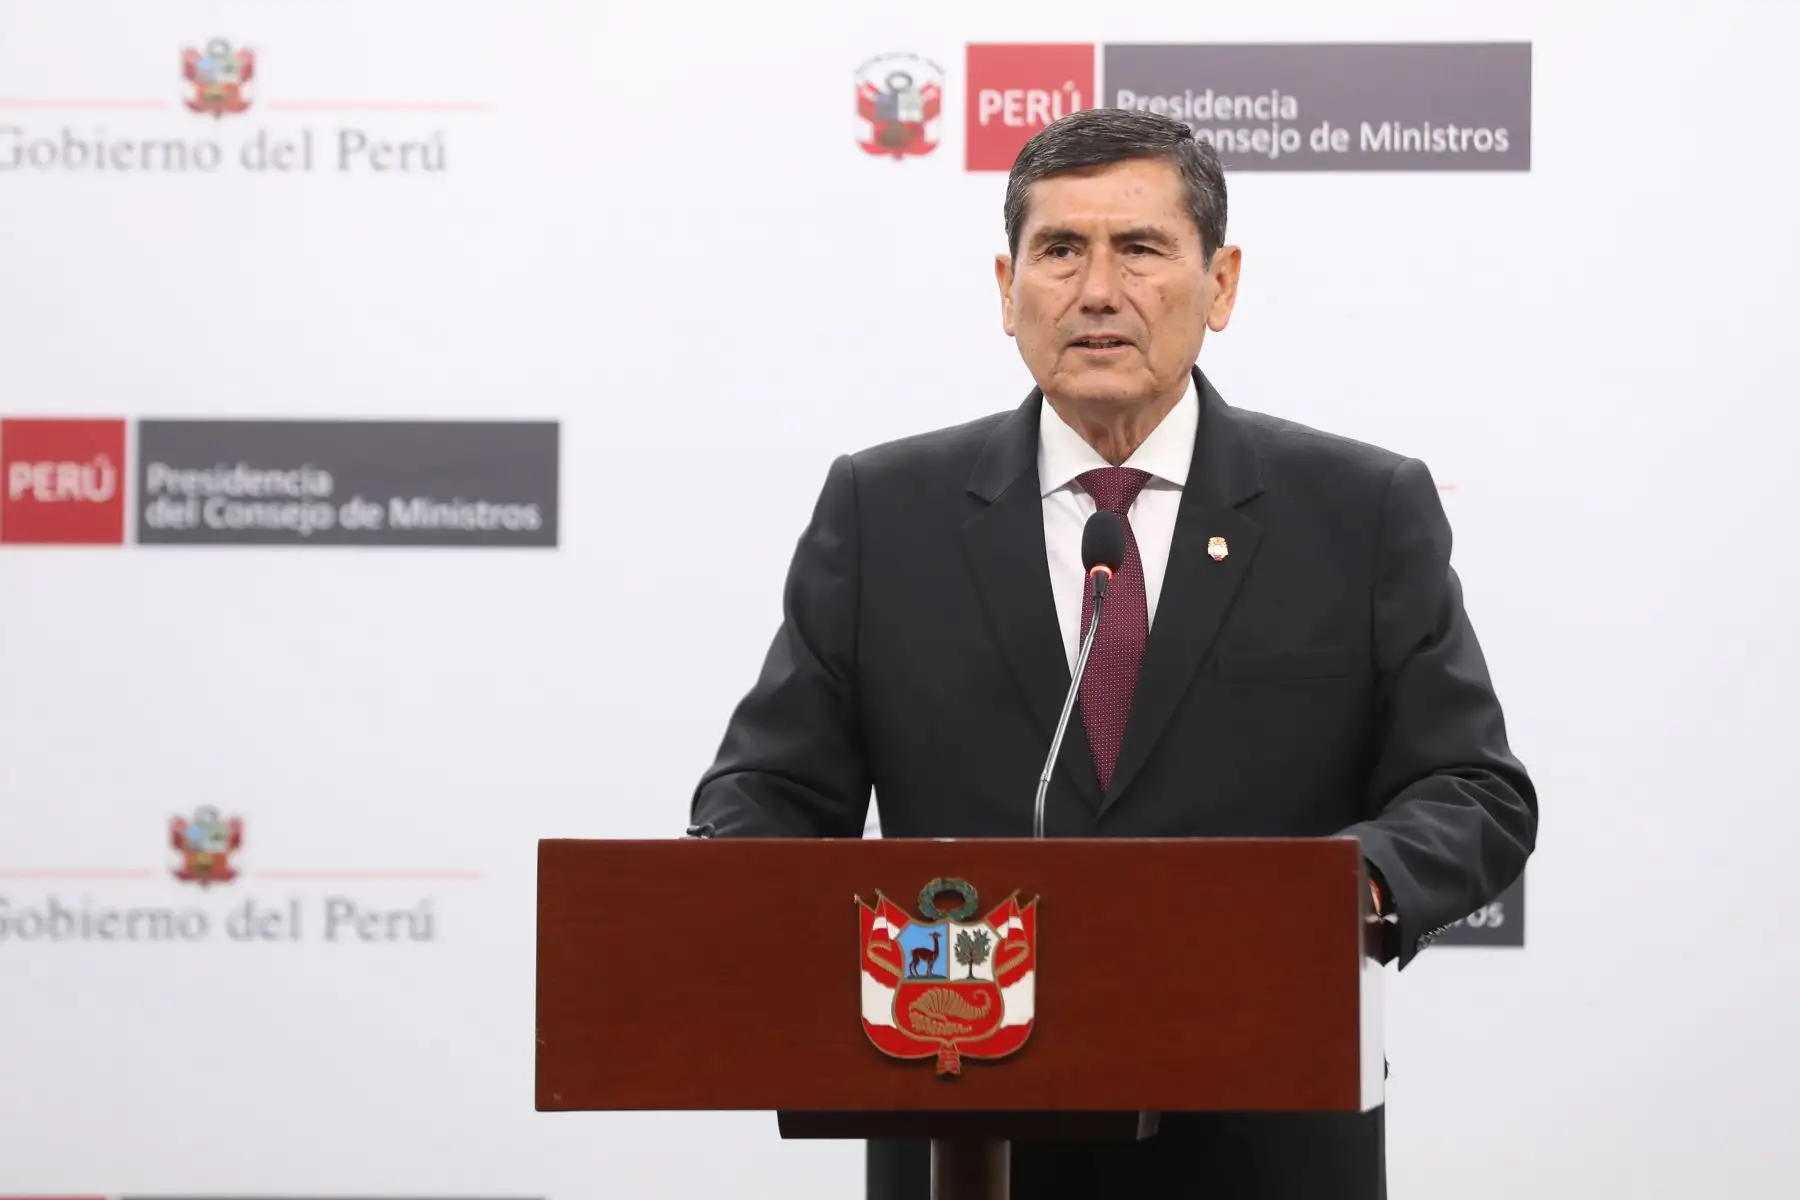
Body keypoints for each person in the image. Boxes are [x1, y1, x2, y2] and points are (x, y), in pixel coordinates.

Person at [689, 107, 1536, 1200]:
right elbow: (767, 790)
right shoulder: (884, 511)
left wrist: (1343, 891)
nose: (1098, 290)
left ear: (1220, 283)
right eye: (1059, 251)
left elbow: (1472, 789)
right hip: (966, 1136)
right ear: (1008, 289)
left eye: (1139, 249)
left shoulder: (1358, 510)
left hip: (1263, 1140)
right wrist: (731, 887)